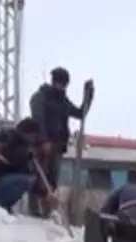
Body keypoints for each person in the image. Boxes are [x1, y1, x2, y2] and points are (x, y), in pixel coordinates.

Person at [29, 67, 94, 216]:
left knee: (51, 181)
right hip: (42, 146)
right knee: (39, 180)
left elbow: (79, 113)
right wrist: (44, 140)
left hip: (58, 147)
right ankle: (33, 212)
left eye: (64, 84)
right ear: (53, 81)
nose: (61, 86)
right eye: (59, 83)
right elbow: (38, 119)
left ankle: (46, 212)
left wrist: (88, 96)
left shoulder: (63, 101)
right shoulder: (40, 97)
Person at [0, 118, 56, 214]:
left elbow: (25, 171)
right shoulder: (9, 138)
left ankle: (3, 208)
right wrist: (34, 151)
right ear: (28, 134)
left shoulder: (20, 146)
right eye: (34, 136)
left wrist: (45, 195)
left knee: (28, 179)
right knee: (24, 180)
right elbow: (12, 153)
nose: (34, 140)